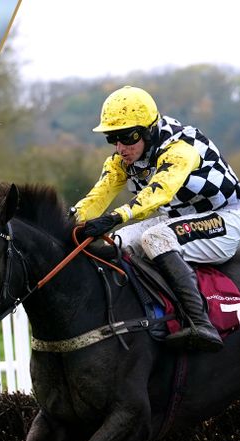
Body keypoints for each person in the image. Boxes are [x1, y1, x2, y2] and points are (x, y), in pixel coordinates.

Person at [73, 85, 240, 352]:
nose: (120, 147)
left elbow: (159, 192)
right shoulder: (123, 159)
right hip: (180, 219)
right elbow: (98, 196)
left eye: (127, 137)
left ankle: (200, 322)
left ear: (149, 131)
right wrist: (68, 221)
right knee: (116, 241)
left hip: (227, 219)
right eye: (112, 138)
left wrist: (117, 215)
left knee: (156, 237)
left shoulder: (181, 148)